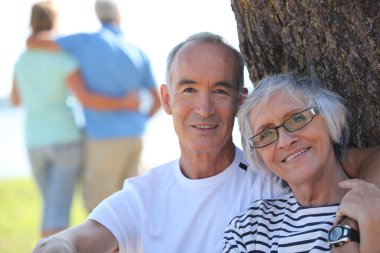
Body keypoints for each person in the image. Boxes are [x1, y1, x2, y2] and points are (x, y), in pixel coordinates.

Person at [31, 32, 380, 253]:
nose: (204, 108)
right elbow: (76, 240)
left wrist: (352, 221)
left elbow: (363, 162)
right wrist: (57, 246)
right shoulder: (143, 195)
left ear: (239, 102)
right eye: (189, 89)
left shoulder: (277, 170)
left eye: (220, 90)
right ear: (166, 100)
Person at [11, 1, 140, 238]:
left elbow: (16, 100)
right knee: (59, 210)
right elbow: (86, 98)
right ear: (54, 22)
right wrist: (125, 103)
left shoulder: (22, 61)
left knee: (50, 207)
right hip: (65, 139)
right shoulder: (65, 61)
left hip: (33, 141)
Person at [28, 0, 162, 212]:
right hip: (136, 138)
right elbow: (158, 101)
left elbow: (34, 42)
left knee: (100, 212)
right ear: (119, 17)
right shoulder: (136, 50)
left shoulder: (84, 42)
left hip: (103, 141)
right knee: (137, 209)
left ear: (98, 15)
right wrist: (138, 121)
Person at [223, 73, 380, 252]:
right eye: (265, 134)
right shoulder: (250, 228)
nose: (284, 141)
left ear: (329, 120)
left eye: (297, 119)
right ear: (258, 154)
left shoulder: (372, 204)